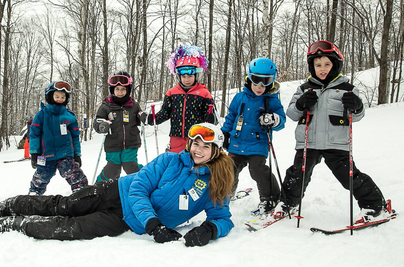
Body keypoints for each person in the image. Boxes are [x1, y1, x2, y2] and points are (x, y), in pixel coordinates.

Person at [0, 123, 235, 247]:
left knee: (72, 228)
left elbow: (223, 217)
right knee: (64, 206)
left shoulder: (216, 182)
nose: (199, 149)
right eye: (196, 144)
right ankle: (7, 206)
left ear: (216, 150)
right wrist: (153, 224)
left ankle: (14, 223)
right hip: (115, 192)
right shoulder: (170, 160)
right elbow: (138, 188)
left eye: (206, 145)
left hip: (125, 221)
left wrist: (210, 230)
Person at [279, 40, 387, 223]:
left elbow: (358, 116)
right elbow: (291, 113)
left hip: (336, 143)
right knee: (297, 175)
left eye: (327, 64)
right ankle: (287, 204)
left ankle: (375, 205)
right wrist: (301, 103)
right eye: (318, 65)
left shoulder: (348, 89)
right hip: (308, 142)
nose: (322, 69)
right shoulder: (304, 88)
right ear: (312, 67)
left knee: (349, 176)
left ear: (335, 65)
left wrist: (357, 106)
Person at [221, 57, 286, 215]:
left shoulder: (271, 101)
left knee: (257, 169)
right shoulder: (239, 98)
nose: (260, 86)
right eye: (256, 81)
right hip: (237, 143)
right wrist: (225, 134)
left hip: (258, 144)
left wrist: (273, 119)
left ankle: (270, 197)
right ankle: (226, 194)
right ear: (248, 78)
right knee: (229, 167)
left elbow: (281, 120)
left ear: (271, 81)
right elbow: (231, 117)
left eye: (266, 81)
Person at [146, 45, 216, 153]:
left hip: (197, 137)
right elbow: (165, 113)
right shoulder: (172, 93)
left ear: (196, 75)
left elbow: (211, 116)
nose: (187, 79)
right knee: (176, 164)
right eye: (184, 77)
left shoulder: (204, 93)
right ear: (179, 76)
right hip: (176, 138)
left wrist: (211, 118)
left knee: (193, 165)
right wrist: (153, 118)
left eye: (190, 76)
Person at [28, 81, 88, 195]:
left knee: (75, 174)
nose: (60, 99)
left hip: (65, 154)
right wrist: (34, 152)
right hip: (46, 155)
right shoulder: (41, 115)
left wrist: (77, 154)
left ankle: (82, 194)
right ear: (50, 96)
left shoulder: (69, 116)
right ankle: (33, 196)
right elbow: (34, 134)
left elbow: (75, 137)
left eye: (63, 97)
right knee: (40, 178)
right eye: (57, 96)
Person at [93, 71, 144, 183]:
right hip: (113, 143)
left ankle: (147, 179)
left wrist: (144, 117)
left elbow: (140, 117)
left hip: (131, 142)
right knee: (112, 169)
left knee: (130, 166)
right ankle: (98, 188)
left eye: (123, 89)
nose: (120, 92)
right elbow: (97, 122)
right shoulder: (106, 106)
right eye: (117, 89)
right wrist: (102, 125)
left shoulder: (134, 105)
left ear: (128, 90)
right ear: (112, 90)